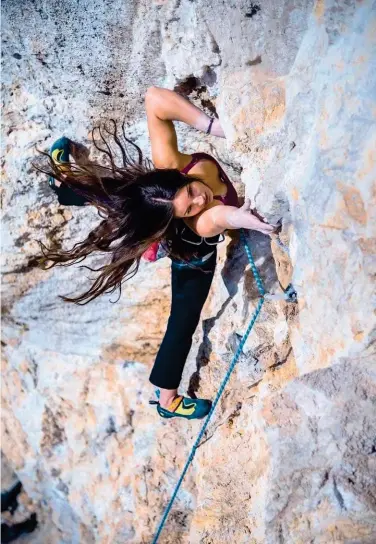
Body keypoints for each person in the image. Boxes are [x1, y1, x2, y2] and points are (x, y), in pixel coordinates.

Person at [36, 86, 275, 421]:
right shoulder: (204, 221)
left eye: (190, 192)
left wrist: (216, 127)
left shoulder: (172, 166)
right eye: (188, 208)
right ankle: (168, 401)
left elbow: (154, 99)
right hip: (193, 257)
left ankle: (65, 184)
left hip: (164, 214)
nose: (199, 201)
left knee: (121, 196)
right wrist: (243, 218)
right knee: (182, 321)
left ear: (177, 178)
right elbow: (221, 217)